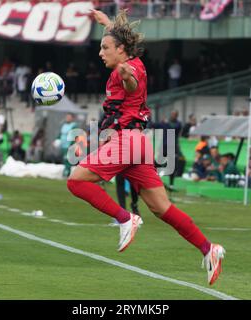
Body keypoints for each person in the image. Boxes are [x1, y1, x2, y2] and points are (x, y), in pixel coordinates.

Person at [67, 9, 225, 285]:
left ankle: (125, 218)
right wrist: (107, 22)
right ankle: (208, 248)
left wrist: (126, 74)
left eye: (105, 48)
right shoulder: (130, 60)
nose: (101, 53)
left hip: (126, 141)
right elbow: (121, 53)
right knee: (162, 208)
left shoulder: (127, 70)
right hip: (139, 144)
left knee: (76, 181)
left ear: (121, 50)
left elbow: (131, 84)